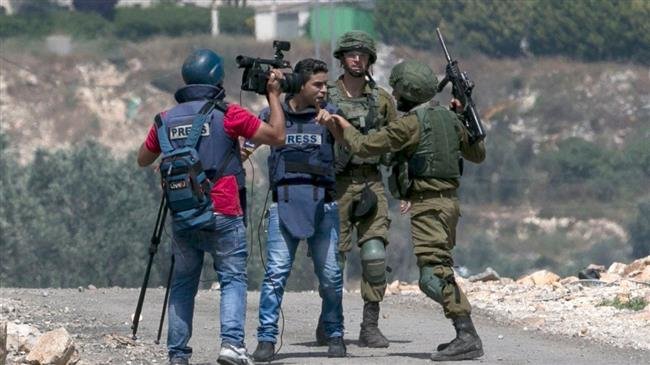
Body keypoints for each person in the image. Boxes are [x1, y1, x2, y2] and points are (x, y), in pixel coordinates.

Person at [322, 60, 486, 361]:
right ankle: (464, 333)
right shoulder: (449, 119)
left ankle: (467, 335)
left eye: (397, 90)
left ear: (408, 92)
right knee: (438, 267)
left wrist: (342, 127)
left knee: (432, 276)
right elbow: (478, 153)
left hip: (429, 206)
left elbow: (363, 146)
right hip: (449, 205)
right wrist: (465, 113)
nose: (394, 95)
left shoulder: (410, 124)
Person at [137, 48, 287, 365]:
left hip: (184, 213)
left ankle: (177, 354)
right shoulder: (229, 114)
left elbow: (143, 159)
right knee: (232, 278)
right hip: (224, 210)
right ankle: (231, 345)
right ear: (217, 79)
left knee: (182, 283)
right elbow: (276, 135)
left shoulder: (164, 120)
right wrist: (273, 95)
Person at [250, 58, 346, 362]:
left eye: (325, 85)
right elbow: (247, 143)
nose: (322, 90)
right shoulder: (273, 115)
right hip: (286, 202)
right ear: (300, 85)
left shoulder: (330, 114)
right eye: (316, 84)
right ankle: (266, 338)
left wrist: (334, 124)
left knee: (331, 276)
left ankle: (334, 333)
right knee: (276, 274)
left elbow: (348, 140)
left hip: (323, 204)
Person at [326, 30, 397, 348]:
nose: (357, 59)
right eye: (352, 54)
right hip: (336, 184)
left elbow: (396, 144)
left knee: (374, 255)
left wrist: (404, 188)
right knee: (333, 260)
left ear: (370, 59)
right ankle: (330, 322)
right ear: (342, 58)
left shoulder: (381, 100)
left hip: (371, 180)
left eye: (363, 54)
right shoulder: (325, 95)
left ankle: (370, 325)